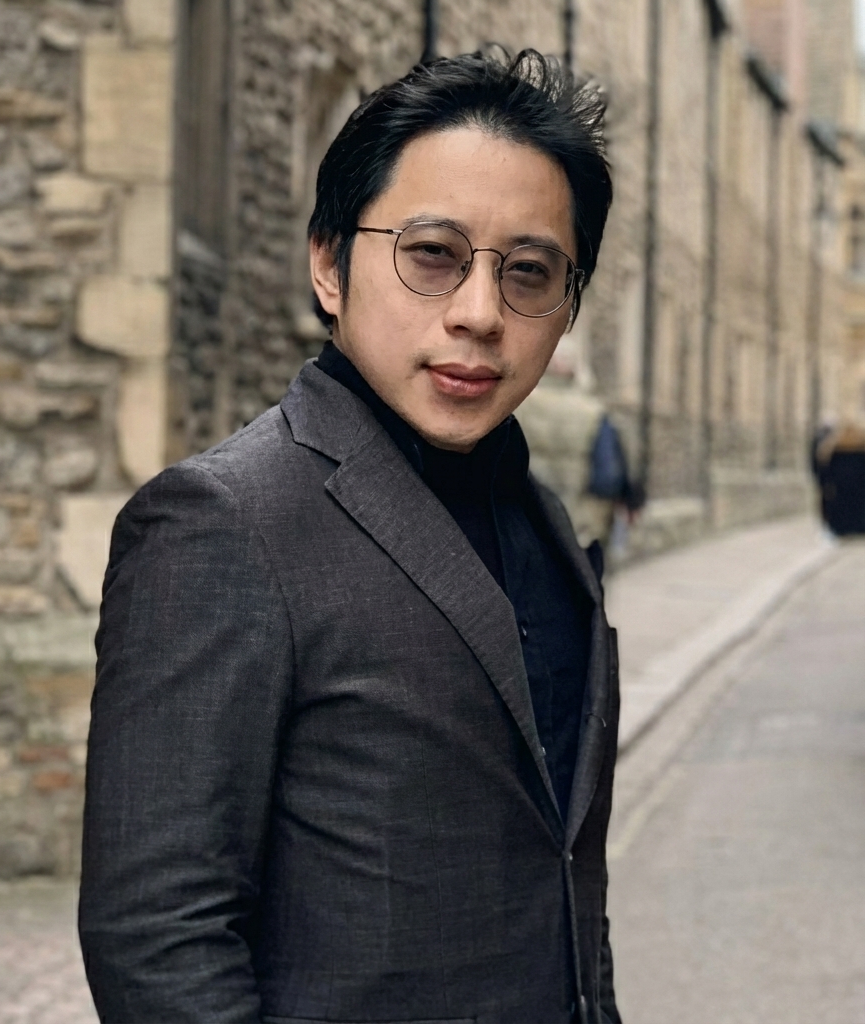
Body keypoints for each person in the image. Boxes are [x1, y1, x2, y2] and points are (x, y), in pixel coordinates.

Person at [79, 49, 621, 1024]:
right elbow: (156, 939)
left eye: (529, 273)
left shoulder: (539, 518)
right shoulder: (221, 523)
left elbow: (561, 876)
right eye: (432, 255)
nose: (479, 314)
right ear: (329, 265)